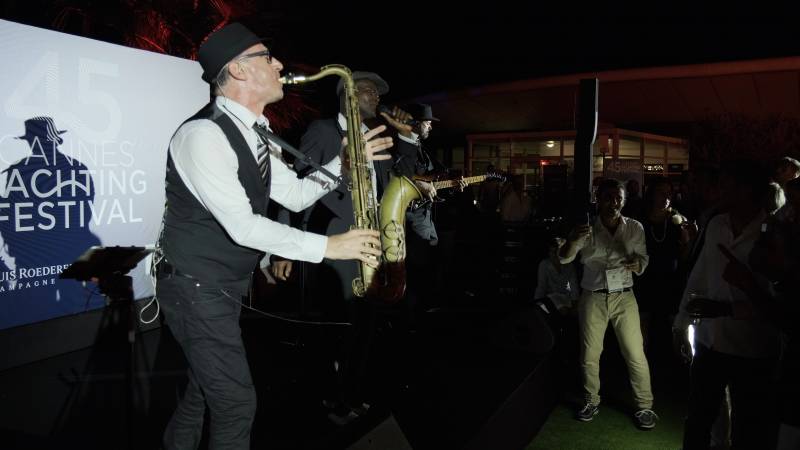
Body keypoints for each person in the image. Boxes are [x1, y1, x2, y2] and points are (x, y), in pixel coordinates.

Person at [154, 23, 392, 450]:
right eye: (267, 56)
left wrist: (344, 164)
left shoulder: (255, 133)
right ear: (239, 70)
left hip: (216, 286)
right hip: (194, 287)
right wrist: (329, 246)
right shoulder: (202, 135)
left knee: (200, 395)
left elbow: (298, 196)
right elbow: (243, 225)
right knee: (235, 404)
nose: (279, 64)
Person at [278, 70, 422, 425]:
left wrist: (409, 137)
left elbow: (405, 178)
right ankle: (333, 399)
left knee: (365, 327)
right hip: (335, 241)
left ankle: (352, 393)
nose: (376, 96)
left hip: (372, 241)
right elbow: (294, 186)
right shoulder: (325, 131)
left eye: (377, 91)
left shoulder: (378, 136)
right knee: (340, 327)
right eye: (368, 90)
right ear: (347, 95)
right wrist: (283, 243)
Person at [673, 160, 780, 450]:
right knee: (698, 420)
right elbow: (699, 276)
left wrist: (742, 288)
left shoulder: (773, 233)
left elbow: (779, 304)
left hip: (753, 350)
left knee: (748, 428)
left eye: (727, 185)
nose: (720, 191)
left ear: (746, 191)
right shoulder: (717, 224)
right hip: (711, 342)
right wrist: (682, 322)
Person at [559, 178, 657, 429]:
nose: (614, 202)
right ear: (598, 199)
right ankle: (591, 400)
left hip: (625, 295)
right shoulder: (586, 228)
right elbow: (564, 259)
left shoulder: (635, 228)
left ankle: (645, 406)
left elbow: (643, 259)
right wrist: (571, 240)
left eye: (618, 198)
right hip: (593, 295)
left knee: (635, 353)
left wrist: (638, 265)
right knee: (590, 354)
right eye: (608, 197)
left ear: (624, 200)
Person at [632, 177, 691, 357]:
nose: (666, 197)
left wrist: (687, 240)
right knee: (643, 324)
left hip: (670, 280)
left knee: (675, 325)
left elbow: (684, 256)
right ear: (652, 195)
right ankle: (641, 367)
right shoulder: (639, 221)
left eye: (669, 193)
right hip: (646, 279)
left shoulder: (677, 221)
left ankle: (680, 362)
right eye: (661, 193)